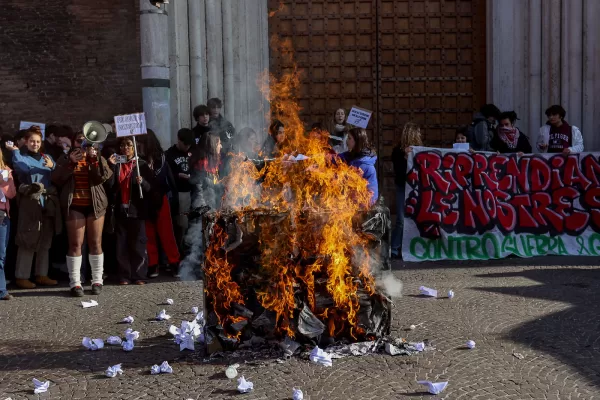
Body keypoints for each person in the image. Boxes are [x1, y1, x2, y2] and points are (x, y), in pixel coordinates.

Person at [52, 132, 112, 296]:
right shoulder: (65, 158)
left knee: (95, 242)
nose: (83, 144)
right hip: (75, 205)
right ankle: (75, 283)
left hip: (95, 205)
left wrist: (94, 160)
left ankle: (97, 280)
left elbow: (103, 177)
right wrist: (71, 163)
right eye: (79, 141)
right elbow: (57, 178)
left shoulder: (98, 157)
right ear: (74, 142)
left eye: (87, 141)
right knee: (75, 244)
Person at [8, 126, 61, 289]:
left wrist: (53, 166)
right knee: (28, 238)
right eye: (32, 141)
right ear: (26, 142)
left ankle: (41, 274)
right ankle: (22, 276)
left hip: (47, 203)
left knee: (45, 240)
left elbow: (58, 177)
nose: (35, 144)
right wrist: (15, 152)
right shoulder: (21, 156)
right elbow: (22, 169)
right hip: (30, 202)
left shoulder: (47, 157)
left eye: (38, 141)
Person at [107, 137, 155, 285]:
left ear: (134, 148)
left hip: (136, 209)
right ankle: (124, 275)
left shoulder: (142, 165)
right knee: (121, 244)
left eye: (129, 145)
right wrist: (110, 167)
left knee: (138, 243)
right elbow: (110, 186)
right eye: (122, 145)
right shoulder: (117, 165)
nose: (125, 148)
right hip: (120, 209)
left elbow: (152, 189)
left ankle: (140, 274)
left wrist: (144, 183)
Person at [139, 129, 180, 278]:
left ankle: (174, 261)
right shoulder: (138, 159)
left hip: (159, 197)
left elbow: (159, 178)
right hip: (144, 199)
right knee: (148, 233)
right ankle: (152, 264)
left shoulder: (160, 158)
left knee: (166, 232)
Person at [390, 122, 423, 259]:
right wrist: (405, 158)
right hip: (402, 188)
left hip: (417, 189)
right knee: (401, 219)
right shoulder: (397, 152)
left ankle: (412, 248)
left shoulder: (420, 151)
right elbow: (399, 172)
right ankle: (394, 248)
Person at [165, 128, 195, 254]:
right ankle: (179, 251)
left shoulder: (193, 152)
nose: (187, 147)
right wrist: (178, 176)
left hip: (193, 191)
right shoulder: (169, 154)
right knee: (181, 225)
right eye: (185, 144)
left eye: (189, 144)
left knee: (193, 224)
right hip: (179, 193)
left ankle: (189, 250)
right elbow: (167, 174)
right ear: (179, 140)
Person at [339, 128, 378, 205]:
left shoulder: (365, 165)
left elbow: (371, 195)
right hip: (351, 204)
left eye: (349, 138)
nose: (347, 141)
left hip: (362, 208)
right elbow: (336, 158)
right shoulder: (352, 155)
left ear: (357, 141)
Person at [190, 134, 223, 211]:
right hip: (204, 213)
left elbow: (213, 184)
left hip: (213, 208)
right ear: (213, 146)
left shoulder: (214, 163)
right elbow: (198, 192)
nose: (221, 146)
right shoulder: (201, 164)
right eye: (219, 144)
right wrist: (205, 211)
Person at [0, 150, 17, 299]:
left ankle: (1, 289)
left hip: (3, 214)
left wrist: (6, 181)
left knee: (1, 254)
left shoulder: (5, 170)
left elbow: (11, 194)